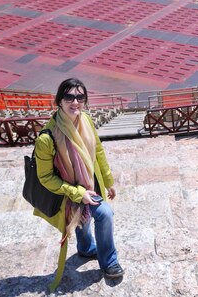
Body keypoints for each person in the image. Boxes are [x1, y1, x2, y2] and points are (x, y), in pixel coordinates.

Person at [33, 77, 124, 291]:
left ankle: (85, 247)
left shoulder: (86, 120)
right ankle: (109, 261)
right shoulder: (47, 138)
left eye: (80, 97)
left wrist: (108, 180)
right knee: (104, 214)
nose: (75, 102)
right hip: (67, 191)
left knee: (84, 217)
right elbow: (45, 178)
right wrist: (76, 193)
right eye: (69, 97)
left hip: (92, 182)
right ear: (59, 100)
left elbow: (98, 151)